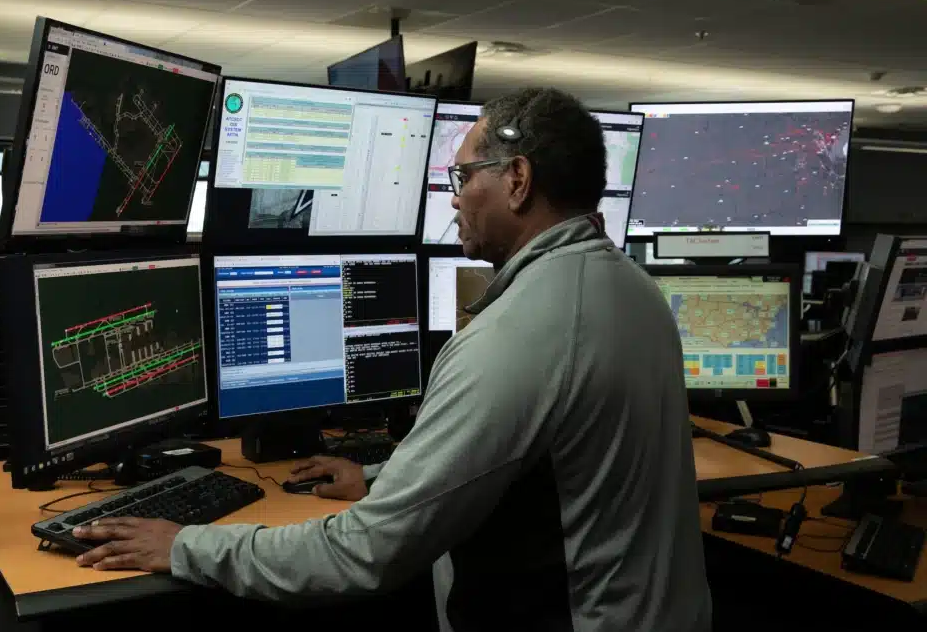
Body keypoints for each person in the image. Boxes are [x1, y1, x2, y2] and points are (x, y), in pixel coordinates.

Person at [73, 87, 712, 631]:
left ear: (517, 181)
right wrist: (383, 481)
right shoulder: (632, 289)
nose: (455, 198)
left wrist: (186, 546)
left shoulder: (518, 334)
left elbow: (367, 553)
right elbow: (544, 466)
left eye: (465, 177)